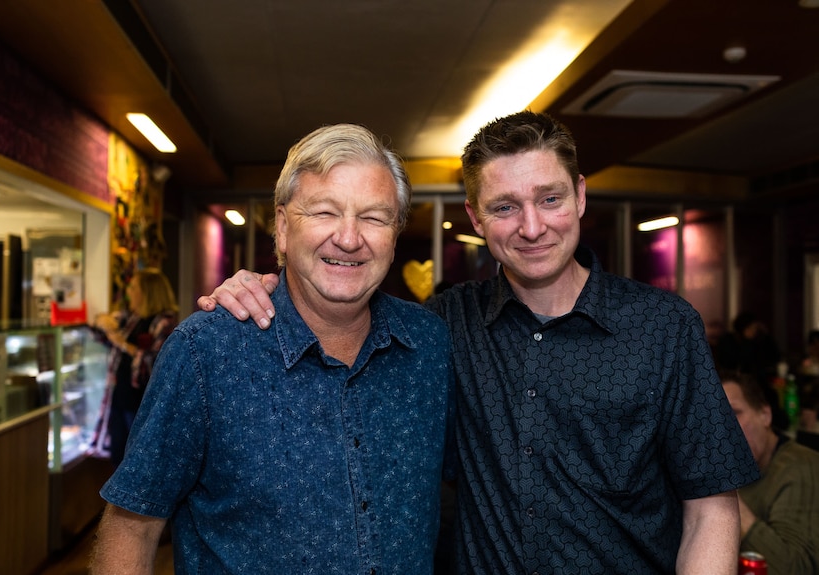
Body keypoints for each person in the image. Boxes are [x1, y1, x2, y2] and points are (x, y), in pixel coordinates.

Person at [199, 110, 760, 574]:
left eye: (550, 199)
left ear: (581, 196)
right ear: (475, 217)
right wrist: (259, 286)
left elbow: (711, 509)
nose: (532, 227)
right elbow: (335, 316)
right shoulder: (439, 328)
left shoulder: (664, 327)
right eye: (505, 207)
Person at [90, 124, 455, 574]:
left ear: (395, 234)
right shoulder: (205, 353)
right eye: (323, 212)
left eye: (374, 217)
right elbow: (133, 525)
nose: (348, 237)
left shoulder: (431, 345)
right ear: (282, 228)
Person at [721, 371, 819, 574]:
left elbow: (795, 567)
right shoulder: (734, 468)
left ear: (765, 415)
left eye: (733, 413)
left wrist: (723, 497)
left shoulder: (800, 466)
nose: (723, 429)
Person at [92, 267, 179, 466]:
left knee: (141, 458)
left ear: (147, 291)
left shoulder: (164, 322)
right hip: (120, 395)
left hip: (143, 401)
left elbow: (157, 361)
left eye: (134, 287)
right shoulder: (132, 318)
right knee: (119, 455)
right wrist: (101, 321)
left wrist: (122, 343)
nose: (129, 292)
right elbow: (100, 330)